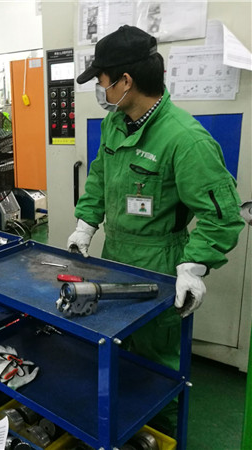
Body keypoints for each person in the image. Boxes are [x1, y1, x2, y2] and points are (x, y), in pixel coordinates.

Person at [69, 25, 244, 434]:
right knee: (118, 348)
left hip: (160, 265)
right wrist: (85, 225)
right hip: (115, 258)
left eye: (102, 80)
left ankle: (160, 434)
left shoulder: (186, 140)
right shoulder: (115, 123)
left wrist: (194, 267)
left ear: (126, 82)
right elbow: (100, 176)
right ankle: (124, 429)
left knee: (157, 363)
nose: (100, 88)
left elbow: (223, 216)